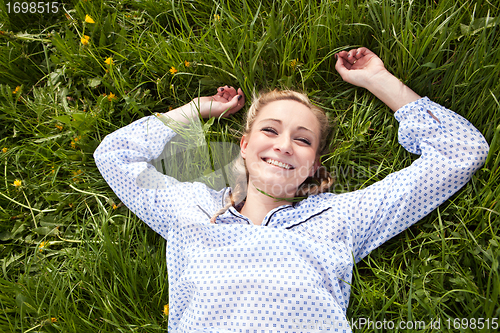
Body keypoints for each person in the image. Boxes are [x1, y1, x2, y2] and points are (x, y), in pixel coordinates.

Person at [94, 47, 489, 333]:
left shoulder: (342, 217)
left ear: (314, 164)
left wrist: (378, 80)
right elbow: (115, 156)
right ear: (244, 146)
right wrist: (196, 110)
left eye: (302, 140)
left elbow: (461, 152)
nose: (283, 145)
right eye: (269, 130)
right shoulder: (192, 209)